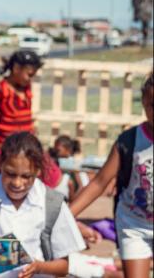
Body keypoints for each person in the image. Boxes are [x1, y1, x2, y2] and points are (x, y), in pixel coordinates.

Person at [0, 132, 86, 277]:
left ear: (38, 171)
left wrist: (39, 267)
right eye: (10, 174)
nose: (17, 183)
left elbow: (63, 267)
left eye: (26, 176)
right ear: (1, 164)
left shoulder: (52, 203)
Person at [70, 72, 153, 278]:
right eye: (153, 105)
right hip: (135, 225)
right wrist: (66, 215)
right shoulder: (129, 140)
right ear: (143, 103)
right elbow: (99, 183)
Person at [0, 50, 43, 166]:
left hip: (27, 145)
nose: (30, 79)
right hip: (5, 147)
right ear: (16, 69)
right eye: (29, 74)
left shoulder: (26, 88)